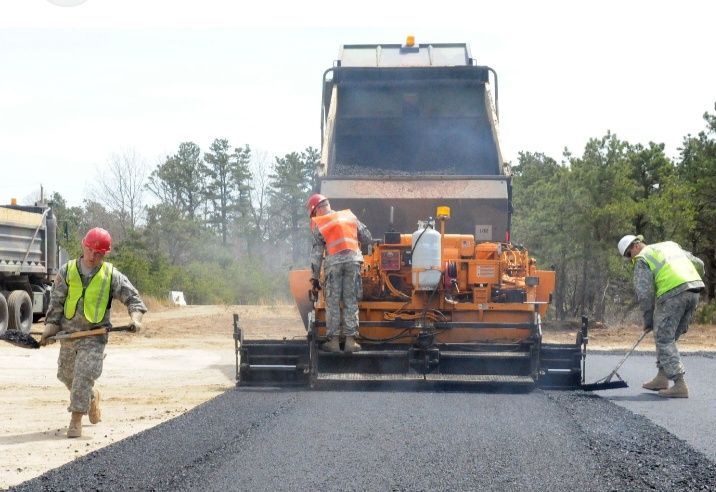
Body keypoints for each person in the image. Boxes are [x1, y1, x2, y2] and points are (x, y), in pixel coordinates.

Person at [40, 227, 147, 437]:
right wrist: (50, 329)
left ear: (104, 254)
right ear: (83, 245)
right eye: (90, 250)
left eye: (98, 253)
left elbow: (134, 299)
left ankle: (76, 419)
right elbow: (57, 302)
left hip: (95, 336)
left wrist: (136, 318)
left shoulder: (111, 275)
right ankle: (91, 398)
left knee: (83, 375)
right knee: (65, 375)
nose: (93, 256)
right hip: (69, 335)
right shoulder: (67, 270)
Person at [618, 234, 704, 398]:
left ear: (636, 246)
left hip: (674, 293)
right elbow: (698, 262)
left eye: (629, 255)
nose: (630, 259)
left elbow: (645, 293)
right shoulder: (669, 245)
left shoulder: (642, 258)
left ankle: (679, 384)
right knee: (668, 337)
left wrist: (648, 318)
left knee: (664, 338)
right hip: (694, 290)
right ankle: (662, 377)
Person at [308, 193, 372, 353]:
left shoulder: (321, 223)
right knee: (351, 300)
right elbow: (367, 237)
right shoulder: (349, 216)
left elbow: (317, 255)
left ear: (317, 210)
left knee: (333, 302)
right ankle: (351, 342)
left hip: (333, 266)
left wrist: (314, 278)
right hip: (353, 263)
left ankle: (334, 343)